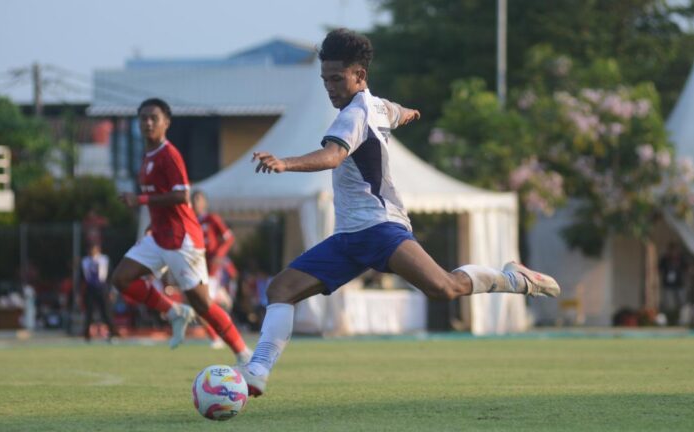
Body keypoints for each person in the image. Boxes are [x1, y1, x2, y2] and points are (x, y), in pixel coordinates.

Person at [237, 29, 560, 397]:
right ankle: (257, 371)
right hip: (348, 238)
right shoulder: (377, 107)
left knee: (444, 288)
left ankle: (513, 278)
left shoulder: (353, 115)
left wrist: (285, 163)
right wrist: (408, 114)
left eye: (337, 79)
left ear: (360, 75)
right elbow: (395, 112)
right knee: (281, 289)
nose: (329, 87)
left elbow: (333, 155)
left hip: (381, 228)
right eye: (325, 79)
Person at [111, 98, 252, 365]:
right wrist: (152, 224)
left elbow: (181, 196)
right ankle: (174, 312)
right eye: (143, 118)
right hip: (159, 236)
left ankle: (244, 354)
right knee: (121, 278)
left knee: (203, 304)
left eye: (154, 118)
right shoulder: (147, 156)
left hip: (182, 239)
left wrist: (140, 200)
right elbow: (161, 200)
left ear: (166, 123)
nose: (148, 123)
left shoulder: (169, 155)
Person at [192, 190, 237, 349]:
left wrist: (219, 254)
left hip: (211, 268)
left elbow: (229, 238)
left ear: (205, 202)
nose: (195, 203)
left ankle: (217, 337)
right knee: (200, 304)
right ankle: (222, 301)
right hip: (198, 267)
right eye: (193, 199)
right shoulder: (191, 221)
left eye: (198, 199)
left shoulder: (212, 219)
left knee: (201, 305)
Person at [81, 244, 119, 342]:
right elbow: (81, 277)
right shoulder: (85, 261)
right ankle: (87, 335)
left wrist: (111, 290)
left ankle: (112, 334)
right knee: (89, 313)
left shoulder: (104, 260)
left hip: (102, 288)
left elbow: (110, 276)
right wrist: (79, 293)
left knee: (106, 312)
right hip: (90, 289)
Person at [658, 242, 688, 321]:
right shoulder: (665, 259)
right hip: (668, 285)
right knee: (670, 303)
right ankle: (671, 318)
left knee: (682, 303)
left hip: (679, 284)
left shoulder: (681, 259)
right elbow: (659, 269)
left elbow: (686, 268)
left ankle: (682, 319)